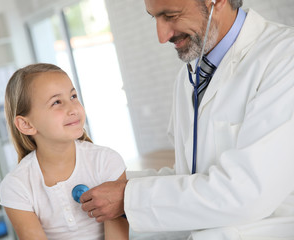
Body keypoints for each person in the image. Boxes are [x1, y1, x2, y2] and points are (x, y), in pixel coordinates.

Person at [80, 0, 294, 239]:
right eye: (155, 18)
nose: (162, 36)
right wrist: (114, 183)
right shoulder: (190, 76)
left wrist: (128, 197)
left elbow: (248, 193)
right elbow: (189, 178)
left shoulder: (285, 59)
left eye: (170, 15)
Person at [0, 63, 129, 240]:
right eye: (57, 102)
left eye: (73, 96)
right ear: (26, 124)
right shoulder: (16, 186)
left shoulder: (106, 160)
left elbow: (118, 236)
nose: (73, 108)